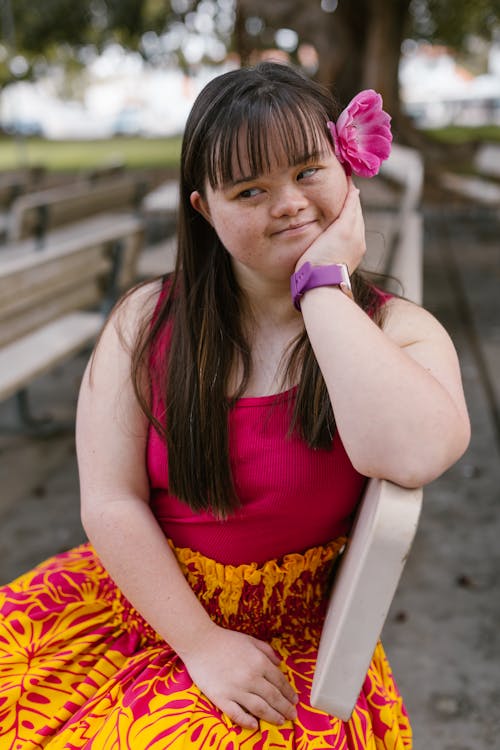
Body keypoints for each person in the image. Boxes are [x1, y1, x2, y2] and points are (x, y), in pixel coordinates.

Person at [0, 62, 470, 749]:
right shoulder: (146, 321)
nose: (287, 202)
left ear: (350, 167)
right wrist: (199, 643)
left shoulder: (398, 329)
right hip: (146, 602)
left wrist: (321, 291)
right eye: (251, 190)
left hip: (289, 646)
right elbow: (110, 501)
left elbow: (413, 453)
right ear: (204, 210)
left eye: (309, 170)